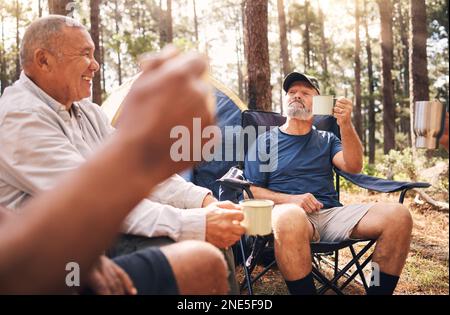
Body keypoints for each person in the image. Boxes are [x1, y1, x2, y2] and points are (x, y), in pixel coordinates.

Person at [0, 15, 244, 292]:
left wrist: (204, 200)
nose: (96, 65)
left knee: (211, 240)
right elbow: (94, 201)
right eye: (85, 54)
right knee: (202, 250)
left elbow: (139, 175)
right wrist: (195, 223)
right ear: (43, 61)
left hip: (91, 240)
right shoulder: (19, 117)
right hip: (50, 262)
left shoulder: (87, 111)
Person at [244, 72, 413, 295]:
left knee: (399, 217)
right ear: (285, 101)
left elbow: (353, 166)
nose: (297, 96)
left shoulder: (327, 139)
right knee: (289, 217)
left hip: (331, 215)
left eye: (305, 92)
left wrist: (345, 124)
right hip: (289, 217)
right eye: (292, 92)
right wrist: (291, 200)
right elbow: (250, 192)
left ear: (320, 104)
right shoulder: (266, 142)